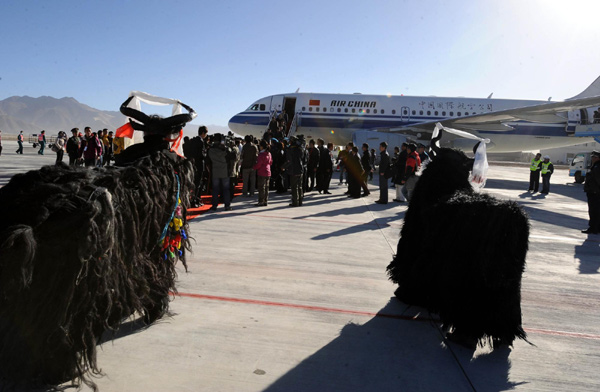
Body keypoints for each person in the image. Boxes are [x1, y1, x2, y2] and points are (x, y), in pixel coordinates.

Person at [207, 133, 233, 211]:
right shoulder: (225, 150)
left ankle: (214, 205)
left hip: (215, 171)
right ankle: (227, 206)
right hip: (224, 171)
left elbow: (208, 161)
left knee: (215, 189)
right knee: (226, 189)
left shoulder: (210, 150)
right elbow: (232, 157)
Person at [283, 135, 305, 207]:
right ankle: (300, 201)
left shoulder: (290, 149)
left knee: (294, 187)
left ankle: (295, 202)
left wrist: (283, 167)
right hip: (300, 169)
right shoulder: (300, 149)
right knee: (300, 186)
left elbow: (289, 161)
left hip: (294, 170)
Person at [583, 151, 600, 234]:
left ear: (597, 158)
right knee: (596, 211)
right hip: (595, 192)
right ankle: (596, 228)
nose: (592, 158)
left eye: (593, 157)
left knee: (594, 211)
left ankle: (593, 228)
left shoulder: (597, 167)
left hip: (595, 193)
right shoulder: (596, 166)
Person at [254, 139, 272, 206]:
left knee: (261, 187)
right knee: (267, 187)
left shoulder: (261, 154)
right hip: (268, 171)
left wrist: (254, 167)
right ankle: (265, 200)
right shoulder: (269, 153)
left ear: (261, 146)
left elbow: (259, 164)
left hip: (262, 172)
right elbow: (270, 162)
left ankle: (261, 201)